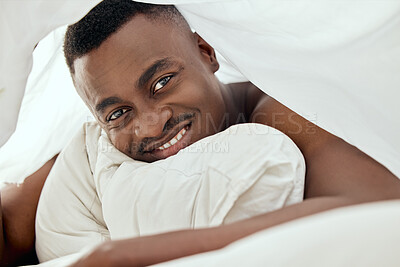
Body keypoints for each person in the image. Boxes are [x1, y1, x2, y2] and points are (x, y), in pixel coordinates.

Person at [1, 1, 400, 266]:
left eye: (161, 83)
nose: (151, 124)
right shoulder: (98, 153)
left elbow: (373, 204)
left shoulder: (281, 112)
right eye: (119, 112)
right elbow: (9, 226)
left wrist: (119, 257)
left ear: (206, 53)